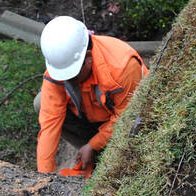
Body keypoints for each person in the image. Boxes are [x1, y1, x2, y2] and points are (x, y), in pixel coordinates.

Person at [34, 16, 148, 174]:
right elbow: (49, 129)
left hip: (130, 121)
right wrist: (44, 179)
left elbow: (126, 118)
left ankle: (101, 153)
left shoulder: (123, 68)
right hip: (93, 120)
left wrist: (93, 145)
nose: (66, 80)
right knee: (41, 103)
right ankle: (97, 156)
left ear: (88, 58)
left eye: (71, 75)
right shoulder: (59, 73)